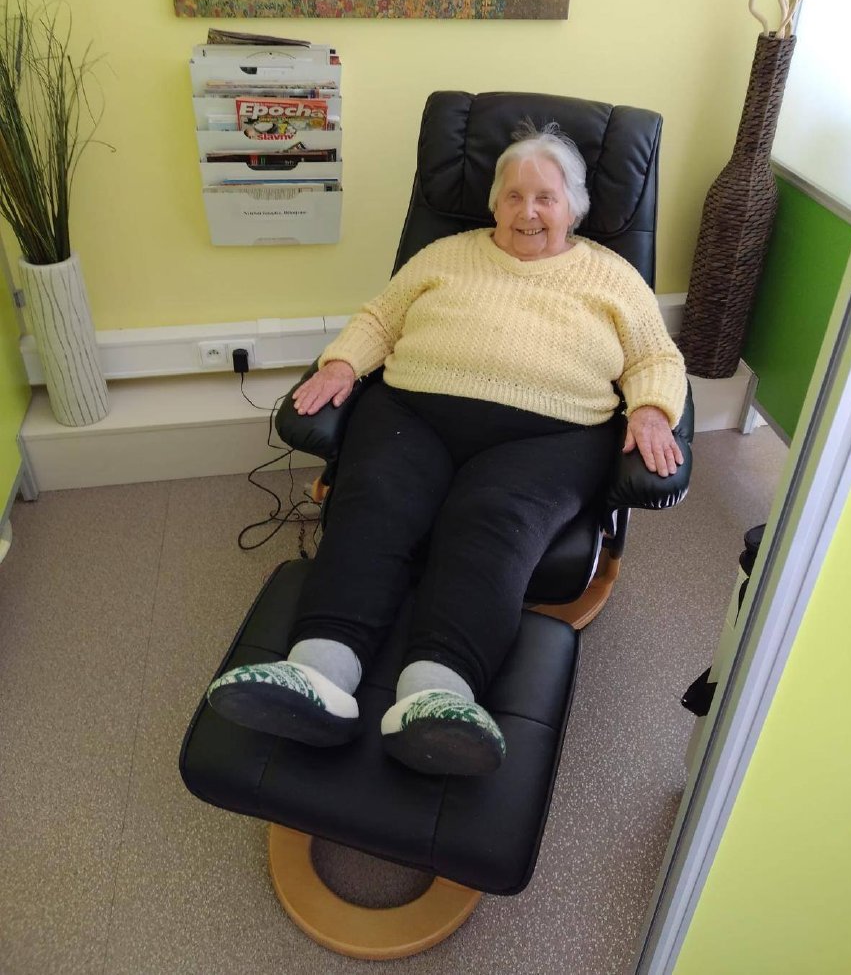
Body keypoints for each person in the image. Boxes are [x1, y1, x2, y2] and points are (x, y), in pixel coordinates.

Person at [207, 122, 687, 777]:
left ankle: (437, 697)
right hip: (415, 412)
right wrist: (342, 364)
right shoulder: (446, 254)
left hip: (550, 436)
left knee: (492, 524)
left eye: (546, 197)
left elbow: (655, 356)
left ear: (574, 207)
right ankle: (316, 674)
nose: (528, 211)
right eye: (513, 195)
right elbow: (381, 318)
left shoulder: (613, 276)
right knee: (373, 502)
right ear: (493, 203)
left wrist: (653, 409)